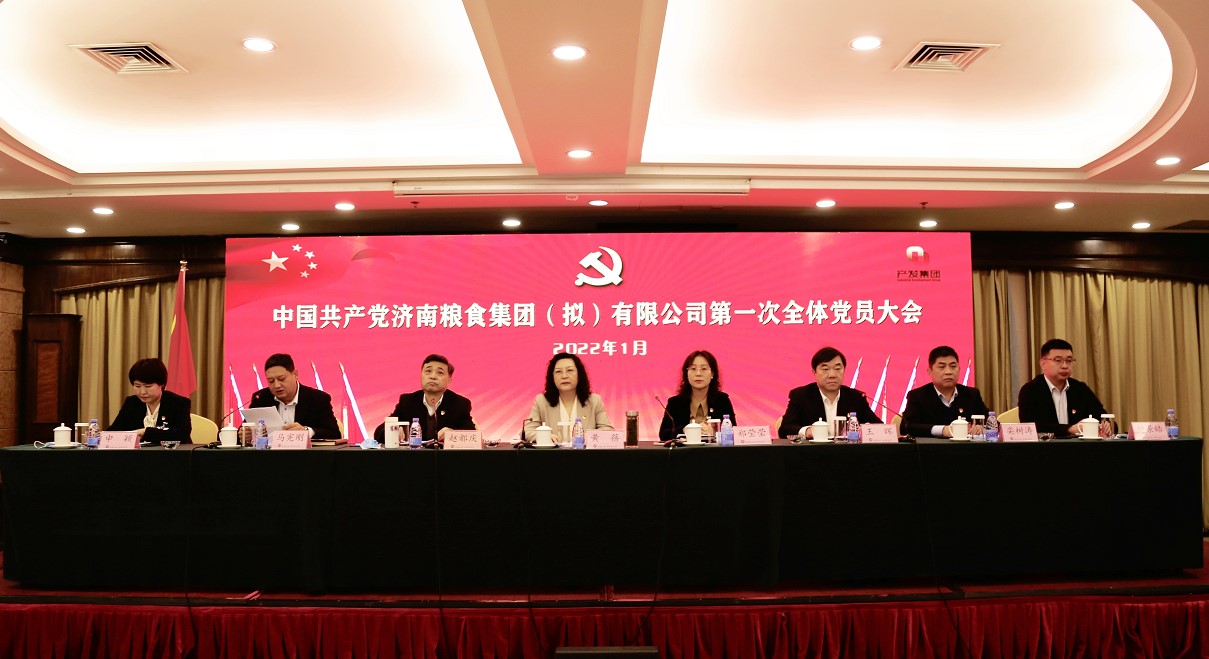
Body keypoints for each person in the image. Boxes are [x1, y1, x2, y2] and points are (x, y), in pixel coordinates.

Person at [778, 346, 880, 439]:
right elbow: (785, 429)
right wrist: (807, 431)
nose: (832, 375)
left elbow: (879, 427)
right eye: (825, 369)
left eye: (837, 369)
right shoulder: (801, 396)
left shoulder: (855, 397)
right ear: (814, 372)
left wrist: (863, 430)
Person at [1018, 338, 1113, 438]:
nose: (1064, 366)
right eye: (1058, 360)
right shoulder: (1030, 390)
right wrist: (1069, 429)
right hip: (1046, 446)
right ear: (1043, 364)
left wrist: (1106, 425)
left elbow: (1102, 416)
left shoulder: (1080, 389)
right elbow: (1029, 428)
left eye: (1069, 361)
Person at [373, 354, 476, 442]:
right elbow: (379, 433)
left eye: (440, 372)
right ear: (421, 376)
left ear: (449, 381)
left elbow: (472, 436)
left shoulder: (459, 404)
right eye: (428, 371)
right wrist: (392, 431)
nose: (433, 376)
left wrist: (452, 435)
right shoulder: (407, 402)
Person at [900, 346, 989, 438]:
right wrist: (942, 430)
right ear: (930, 371)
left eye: (953, 366)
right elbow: (906, 427)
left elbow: (992, 422)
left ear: (959, 369)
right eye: (942, 367)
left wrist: (982, 427)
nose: (948, 372)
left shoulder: (971, 394)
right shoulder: (917, 396)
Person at [246, 353, 341, 439]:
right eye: (271, 381)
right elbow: (246, 428)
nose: (276, 385)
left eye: (281, 379)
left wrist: (306, 431)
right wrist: (244, 434)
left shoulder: (317, 399)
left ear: (295, 374)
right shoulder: (260, 398)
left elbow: (334, 433)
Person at [524, 352, 613, 441]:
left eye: (570, 370)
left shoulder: (594, 400)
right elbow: (527, 431)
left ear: (579, 374)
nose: (564, 376)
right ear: (552, 377)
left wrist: (589, 437)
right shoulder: (542, 401)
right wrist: (545, 436)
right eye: (558, 371)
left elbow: (607, 430)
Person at [107, 357, 192, 443]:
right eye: (137, 386)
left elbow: (182, 434)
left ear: (162, 384)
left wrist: (146, 432)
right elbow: (114, 431)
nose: (142, 392)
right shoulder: (131, 403)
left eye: (148, 386)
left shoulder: (178, 403)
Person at [658, 350, 737, 440]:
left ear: (712, 373)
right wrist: (684, 430)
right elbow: (663, 435)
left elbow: (734, 432)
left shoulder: (722, 400)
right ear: (686, 373)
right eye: (693, 369)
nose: (698, 374)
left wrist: (715, 431)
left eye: (704, 369)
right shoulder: (675, 403)